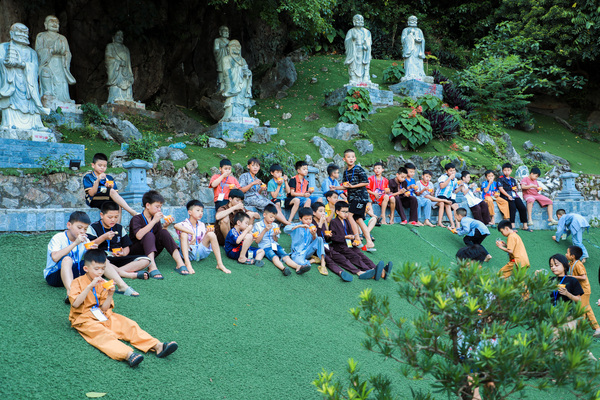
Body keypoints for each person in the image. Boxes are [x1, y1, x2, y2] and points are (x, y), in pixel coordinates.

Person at [69, 250, 178, 367]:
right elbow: (75, 304)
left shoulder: (102, 283)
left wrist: (110, 294)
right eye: (96, 269)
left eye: (103, 269)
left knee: (129, 325)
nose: (100, 272)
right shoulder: (77, 282)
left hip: (104, 315)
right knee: (103, 335)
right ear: (86, 269)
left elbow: (104, 308)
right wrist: (90, 286)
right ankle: (128, 354)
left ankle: (157, 346)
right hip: (84, 319)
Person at [45, 211, 138, 303]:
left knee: (100, 258)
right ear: (69, 225)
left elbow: (93, 259)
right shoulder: (58, 238)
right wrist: (75, 243)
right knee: (67, 259)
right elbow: (55, 257)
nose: (82, 231)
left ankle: (122, 286)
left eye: (85, 229)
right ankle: (71, 293)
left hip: (75, 273)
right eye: (79, 228)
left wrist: (94, 251)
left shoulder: (85, 239)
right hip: (54, 275)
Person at [86, 201, 151, 288]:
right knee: (100, 261)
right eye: (110, 217)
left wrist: (123, 253)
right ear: (102, 215)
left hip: (117, 258)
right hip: (103, 259)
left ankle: (114, 272)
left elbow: (126, 247)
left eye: (116, 217)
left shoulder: (119, 228)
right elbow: (89, 245)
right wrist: (104, 237)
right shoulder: (93, 227)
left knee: (146, 260)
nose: (113, 220)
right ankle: (126, 274)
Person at [0, 23, 50, 131]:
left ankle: (36, 124)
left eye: (25, 33)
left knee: (32, 101)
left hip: (28, 85)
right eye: (19, 32)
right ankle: (9, 123)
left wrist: (22, 64)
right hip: (12, 82)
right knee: (10, 102)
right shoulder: (3, 47)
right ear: (11, 33)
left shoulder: (32, 52)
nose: (22, 35)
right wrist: (6, 63)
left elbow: (35, 68)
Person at [129, 190, 188, 278]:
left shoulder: (155, 219)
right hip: (137, 252)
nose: (159, 210)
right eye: (157, 207)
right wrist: (153, 221)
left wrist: (165, 226)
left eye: (160, 207)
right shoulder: (137, 219)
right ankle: (152, 267)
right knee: (149, 235)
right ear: (147, 205)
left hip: (151, 251)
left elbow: (160, 237)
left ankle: (180, 264)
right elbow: (139, 235)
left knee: (164, 232)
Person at [329, 201, 391, 280]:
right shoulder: (333, 222)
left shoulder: (347, 221)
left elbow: (351, 233)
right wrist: (345, 237)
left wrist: (354, 241)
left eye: (347, 212)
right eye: (343, 211)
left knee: (362, 255)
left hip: (350, 244)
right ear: (337, 211)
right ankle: (370, 271)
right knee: (355, 256)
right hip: (340, 246)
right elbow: (333, 237)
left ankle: (377, 269)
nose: (346, 214)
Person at [173, 200, 230, 275]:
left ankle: (220, 264)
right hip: (189, 252)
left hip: (200, 251)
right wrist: (191, 233)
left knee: (211, 234)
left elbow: (203, 239)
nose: (201, 213)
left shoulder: (202, 224)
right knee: (184, 234)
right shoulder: (184, 223)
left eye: (202, 211)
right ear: (190, 212)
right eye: (198, 210)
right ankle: (187, 263)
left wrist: (207, 232)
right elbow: (176, 225)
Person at [252, 204, 305, 275]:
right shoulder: (257, 225)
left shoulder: (275, 225)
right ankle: (283, 268)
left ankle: (298, 267)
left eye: (274, 217)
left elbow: (276, 240)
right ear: (264, 215)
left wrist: (275, 235)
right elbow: (257, 241)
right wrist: (265, 230)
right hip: (265, 246)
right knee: (275, 257)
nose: (272, 219)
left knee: (285, 256)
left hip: (275, 245)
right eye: (271, 217)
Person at [35, 15, 76, 104]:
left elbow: (68, 53)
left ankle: (64, 99)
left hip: (61, 63)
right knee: (45, 73)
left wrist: (64, 53)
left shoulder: (62, 38)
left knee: (62, 81)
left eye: (57, 22)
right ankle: (48, 95)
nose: (54, 24)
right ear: (45, 24)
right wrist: (51, 50)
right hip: (47, 62)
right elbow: (38, 52)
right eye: (51, 21)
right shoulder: (41, 36)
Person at [83, 153, 138, 217]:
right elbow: (91, 193)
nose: (102, 168)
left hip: (107, 199)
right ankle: (132, 211)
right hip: (94, 200)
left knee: (118, 205)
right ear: (93, 165)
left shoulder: (109, 177)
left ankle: (118, 223)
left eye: (104, 166)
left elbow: (116, 195)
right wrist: (98, 180)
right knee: (112, 192)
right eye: (99, 165)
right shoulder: (88, 177)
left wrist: (110, 188)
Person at [342, 149, 376, 250]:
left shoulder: (358, 169)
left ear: (355, 158)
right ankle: (369, 242)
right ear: (344, 159)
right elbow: (345, 186)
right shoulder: (345, 172)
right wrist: (335, 188)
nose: (351, 159)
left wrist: (353, 186)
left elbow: (366, 182)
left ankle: (357, 238)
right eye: (348, 157)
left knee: (350, 215)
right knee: (358, 219)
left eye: (352, 157)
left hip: (360, 197)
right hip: (352, 198)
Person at [240, 158, 288, 225]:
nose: (255, 168)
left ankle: (284, 222)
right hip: (249, 199)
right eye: (253, 165)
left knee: (275, 206)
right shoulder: (244, 176)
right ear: (248, 166)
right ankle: (287, 223)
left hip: (258, 198)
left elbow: (257, 193)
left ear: (259, 167)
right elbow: (241, 190)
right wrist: (252, 183)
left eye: (257, 166)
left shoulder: (257, 179)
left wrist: (261, 189)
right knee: (270, 206)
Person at [566, 246, 600, 337]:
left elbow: (583, 277)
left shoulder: (578, 264)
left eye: (567, 253)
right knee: (587, 308)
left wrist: (571, 277)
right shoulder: (572, 263)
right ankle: (597, 328)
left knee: (582, 309)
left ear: (572, 256)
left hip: (584, 290)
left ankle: (579, 330)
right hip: (580, 290)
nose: (566, 254)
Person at [283, 207, 327, 275]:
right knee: (301, 263)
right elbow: (285, 229)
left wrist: (314, 235)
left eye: (310, 219)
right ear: (300, 218)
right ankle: (312, 261)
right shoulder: (297, 225)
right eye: (306, 219)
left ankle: (322, 263)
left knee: (319, 239)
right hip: (298, 253)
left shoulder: (312, 226)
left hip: (308, 250)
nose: (308, 221)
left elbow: (314, 240)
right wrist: (299, 226)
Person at [220, 40, 253, 122]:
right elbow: (226, 71)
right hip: (233, 83)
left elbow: (246, 70)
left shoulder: (242, 60)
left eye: (238, 46)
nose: (237, 48)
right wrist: (240, 70)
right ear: (229, 48)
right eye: (234, 46)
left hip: (243, 82)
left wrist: (248, 73)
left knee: (243, 95)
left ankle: (244, 113)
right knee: (233, 99)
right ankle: (230, 114)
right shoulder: (226, 59)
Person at [497, 163, 530, 232]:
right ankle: (512, 225)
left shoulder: (512, 179)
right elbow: (501, 188)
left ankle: (525, 225)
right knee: (512, 207)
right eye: (505, 170)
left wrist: (516, 189)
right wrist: (508, 195)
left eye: (508, 170)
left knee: (522, 207)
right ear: (502, 171)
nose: (507, 172)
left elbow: (515, 188)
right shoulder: (500, 179)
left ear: (511, 171)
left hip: (514, 195)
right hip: (505, 195)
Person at [105, 31, 135, 103]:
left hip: (125, 72)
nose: (120, 37)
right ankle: (115, 98)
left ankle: (128, 99)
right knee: (115, 89)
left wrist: (130, 74)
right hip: (116, 72)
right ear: (113, 37)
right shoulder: (110, 46)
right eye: (118, 35)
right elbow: (108, 59)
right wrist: (119, 63)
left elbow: (128, 64)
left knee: (128, 84)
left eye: (122, 36)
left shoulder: (126, 49)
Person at [344, 14, 373, 86]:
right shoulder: (351, 31)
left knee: (365, 64)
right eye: (358, 20)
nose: (360, 21)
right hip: (354, 51)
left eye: (362, 20)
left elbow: (369, 42)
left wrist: (366, 44)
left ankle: (365, 78)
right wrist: (352, 39)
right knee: (353, 65)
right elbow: (347, 41)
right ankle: (353, 79)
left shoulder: (367, 32)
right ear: (354, 21)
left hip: (364, 52)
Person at [401, 16, 427, 81]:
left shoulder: (419, 30)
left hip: (418, 49)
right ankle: (409, 75)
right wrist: (410, 37)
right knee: (410, 62)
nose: (413, 22)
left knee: (418, 62)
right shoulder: (405, 30)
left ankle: (419, 75)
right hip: (410, 49)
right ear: (408, 22)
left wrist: (420, 40)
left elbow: (423, 39)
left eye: (415, 20)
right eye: (412, 20)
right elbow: (403, 40)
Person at [435, 163, 460, 229]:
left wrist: (461, 186)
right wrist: (449, 178)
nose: (453, 172)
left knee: (456, 206)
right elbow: (442, 186)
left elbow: (455, 191)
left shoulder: (455, 180)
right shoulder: (443, 177)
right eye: (451, 171)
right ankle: (452, 224)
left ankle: (458, 226)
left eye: (454, 170)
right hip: (441, 195)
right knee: (447, 205)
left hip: (449, 196)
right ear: (446, 171)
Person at [213, 25, 230, 92]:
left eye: (227, 31)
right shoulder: (217, 40)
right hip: (221, 58)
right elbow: (216, 51)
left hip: (228, 60)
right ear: (220, 32)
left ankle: (227, 87)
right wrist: (225, 48)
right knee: (221, 71)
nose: (227, 32)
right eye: (225, 31)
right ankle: (221, 87)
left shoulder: (229, 41)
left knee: (228, 73)